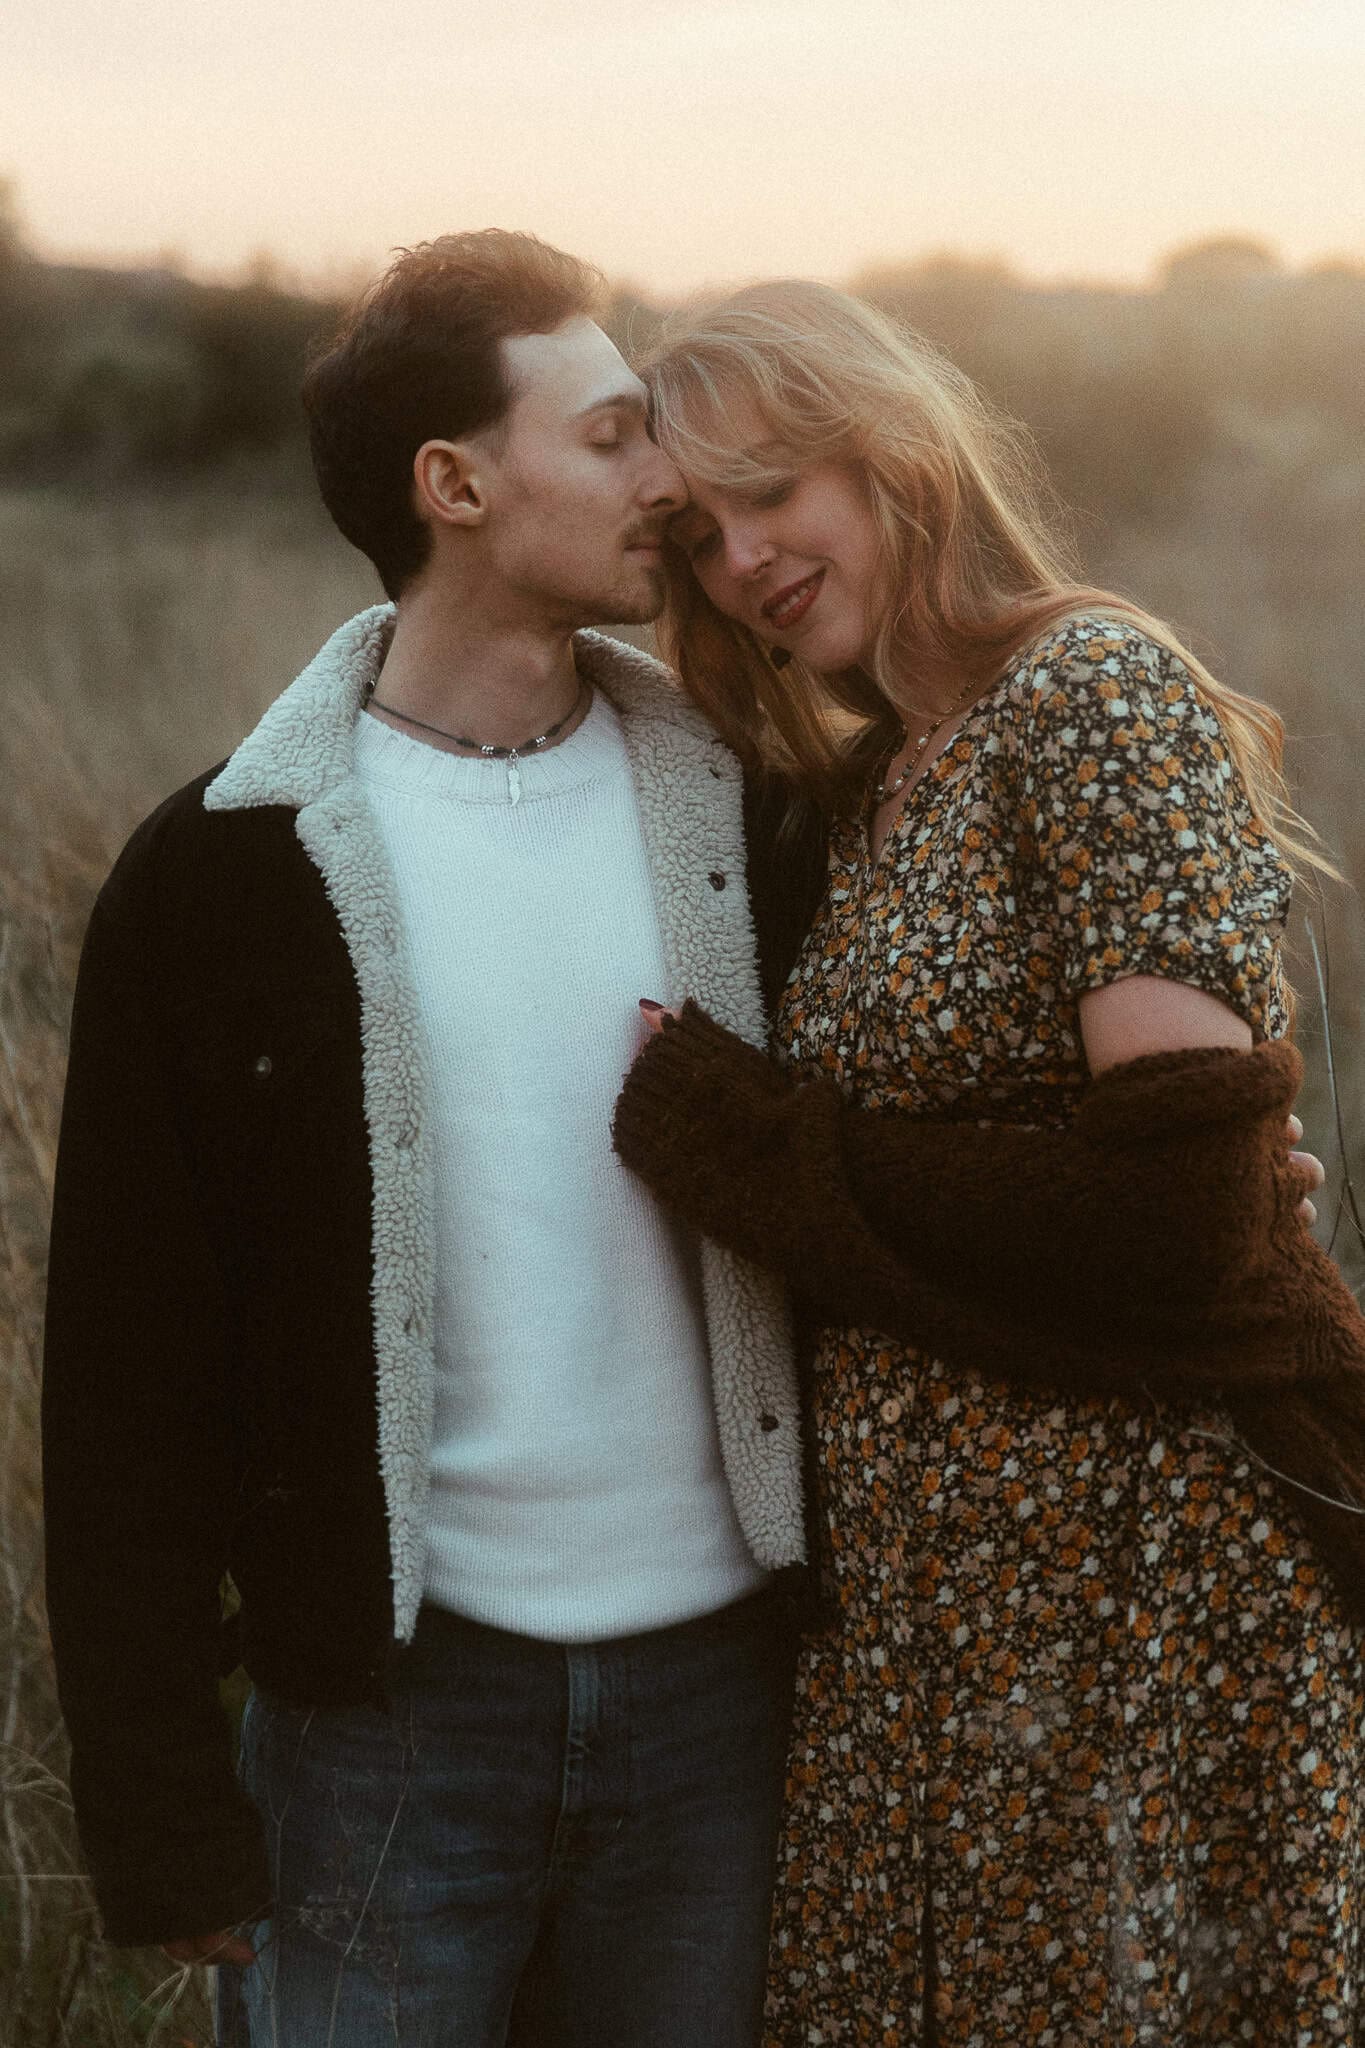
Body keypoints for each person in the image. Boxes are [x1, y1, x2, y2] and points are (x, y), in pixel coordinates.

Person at [40, 232, 808, 2048]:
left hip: (726, 1708)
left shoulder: (754, 810)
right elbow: (128, 1366)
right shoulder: (225, 869)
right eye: (614, 435)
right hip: (381, 1726)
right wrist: (163, 1813)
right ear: (453, 486)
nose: (666, 481)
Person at [611, 280, 1365, 2045]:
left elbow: (1179, 1226)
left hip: (1136, 1578)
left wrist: (762, 1150)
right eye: (697, 535)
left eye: (768, 489)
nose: (741, 560)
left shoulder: (1087, 693)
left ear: (884, 448)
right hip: (919, 1625)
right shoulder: (872, 785)